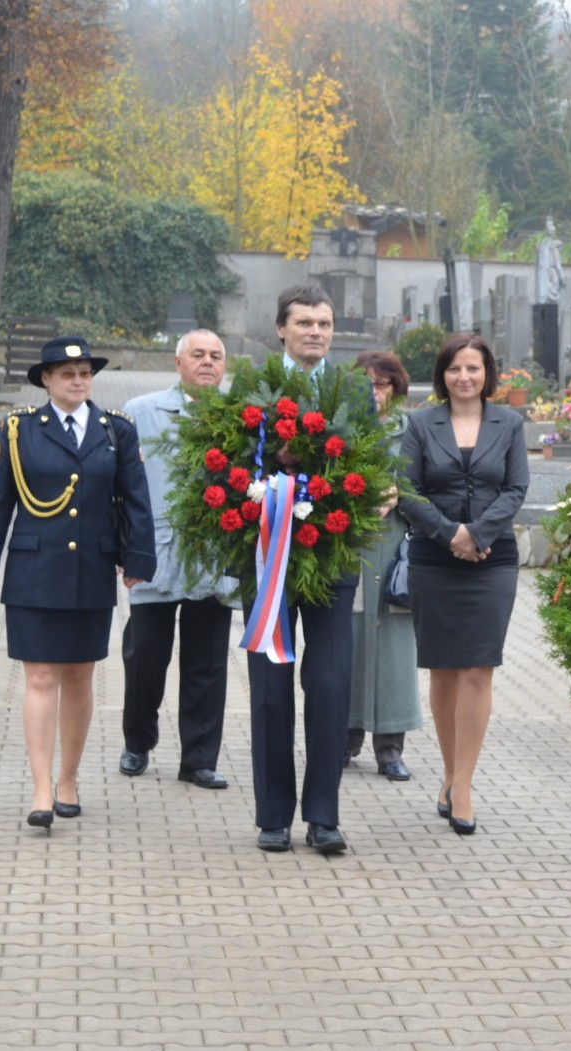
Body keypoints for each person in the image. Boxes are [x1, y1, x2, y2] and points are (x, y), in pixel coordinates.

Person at [0, 336, 156, 829]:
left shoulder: (116, 430)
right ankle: (40, 790)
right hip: (34, 571)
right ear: (46, 380)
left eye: (85, 373)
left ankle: (68, 779)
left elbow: (136, 499)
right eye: (67, 373)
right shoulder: (19, 431)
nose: (78, 381)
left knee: (78, 676)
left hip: (92, 568)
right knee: (40, 676)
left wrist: (138, 558)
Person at [397, 333, 529, 835]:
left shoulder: (510, 424)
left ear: (487, 373)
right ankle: (449, 775)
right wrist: (451, 534)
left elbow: (516, 487)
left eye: (473, 368)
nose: (464, 377)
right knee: (445, 671)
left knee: (479, 667)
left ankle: (465, 784)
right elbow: (406, 488)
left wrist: (477, 533)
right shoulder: (420, 423)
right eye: (455, 369)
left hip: (494, 563)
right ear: (443, 375)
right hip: (434, 558)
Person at [248, 284, 358, 857]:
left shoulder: (354, 391)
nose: (316, 331)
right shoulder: (253, 387)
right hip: (268, 557)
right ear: (282, 330)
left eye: (325, 322)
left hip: (332, 555)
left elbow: (371, 458)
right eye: (305, 323)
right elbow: (230, 464)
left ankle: (323, 815)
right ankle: (273, 816)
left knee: (330, 683)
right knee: (270, 687)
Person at [118, 329, 235, 790]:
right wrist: (123, 547)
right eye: (199, 355)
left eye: (217, 356)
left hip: (215, 554)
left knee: (207, 664)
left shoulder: (240, 416)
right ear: (178, 362)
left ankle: (199, 760)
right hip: (156, 552)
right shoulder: (140, 412)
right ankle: (137, 742)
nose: (208, 362)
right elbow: (119, 488)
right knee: (144, 656)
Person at [346, 349, 421, 781]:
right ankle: (345, 738)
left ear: (396, 388)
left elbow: (430, 486)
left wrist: (399, 494)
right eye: (367, 385)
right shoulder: (343, 429)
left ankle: (390, 747)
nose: (374, 393)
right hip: (352, 550)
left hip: (395, 550)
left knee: (394, 648)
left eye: (382, 384)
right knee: (350, 644)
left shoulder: (412, 430)